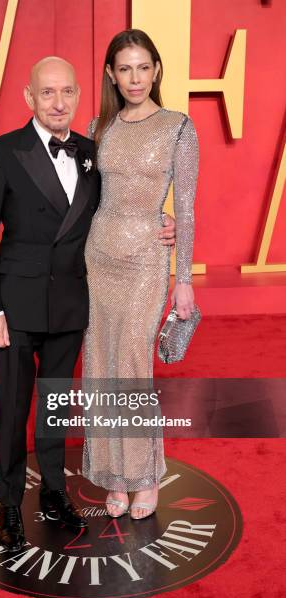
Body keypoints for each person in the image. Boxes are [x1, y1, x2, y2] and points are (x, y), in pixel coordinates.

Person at [0, 56, 176, 552]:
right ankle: (7, 506)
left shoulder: (91, 151)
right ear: (28, 97)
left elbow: (119, 209)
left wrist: (161, 224)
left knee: (55, 408)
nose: (58, 102)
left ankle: (56, 495)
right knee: (13, 407)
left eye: (67, 92)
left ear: (79, 94)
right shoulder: (2, 151)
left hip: (69, 303)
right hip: (16, 306)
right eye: (47, 93)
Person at [82, 29, 199, 520]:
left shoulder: (178, 127)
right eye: (124, 68)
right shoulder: (98, 126)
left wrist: (185, 278)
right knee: (98, 367)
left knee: (131, 366)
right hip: (97, 257)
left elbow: (187, 210)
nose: (134, 77)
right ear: (111, 74)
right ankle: (113, 476)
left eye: (143, 67)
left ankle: (145, 476)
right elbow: (82, 198)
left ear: (156, 71)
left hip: (147, 261)